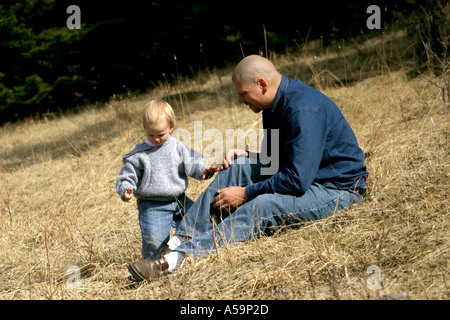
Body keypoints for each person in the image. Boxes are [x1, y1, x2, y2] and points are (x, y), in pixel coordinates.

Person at [126, 55, 369, 281]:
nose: (240, 101)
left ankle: (176, 259)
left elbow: (297, 180)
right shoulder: (274, 104)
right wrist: (249, 155)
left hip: (336, 188)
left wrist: (245, 193)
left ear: (262, 84)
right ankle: (179, 240)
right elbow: (276, 160)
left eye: (243, 94)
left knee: (263, 205)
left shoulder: (302, 110)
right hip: (307, 174)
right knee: (238, 166)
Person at [116, 99, 217, 260]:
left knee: (201, 222)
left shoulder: (177, 146)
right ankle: (151, 265)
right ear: (145, 127)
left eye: (161, 134)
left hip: (180, 200)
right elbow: (127, 176)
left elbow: (192, 163)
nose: (156, 139)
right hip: (153, 205)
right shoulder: (139, 155)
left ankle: (191, 253)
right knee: (154, 241)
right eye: (152, 134)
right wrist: (126, 188)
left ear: (171, 127)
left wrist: (203, 170)